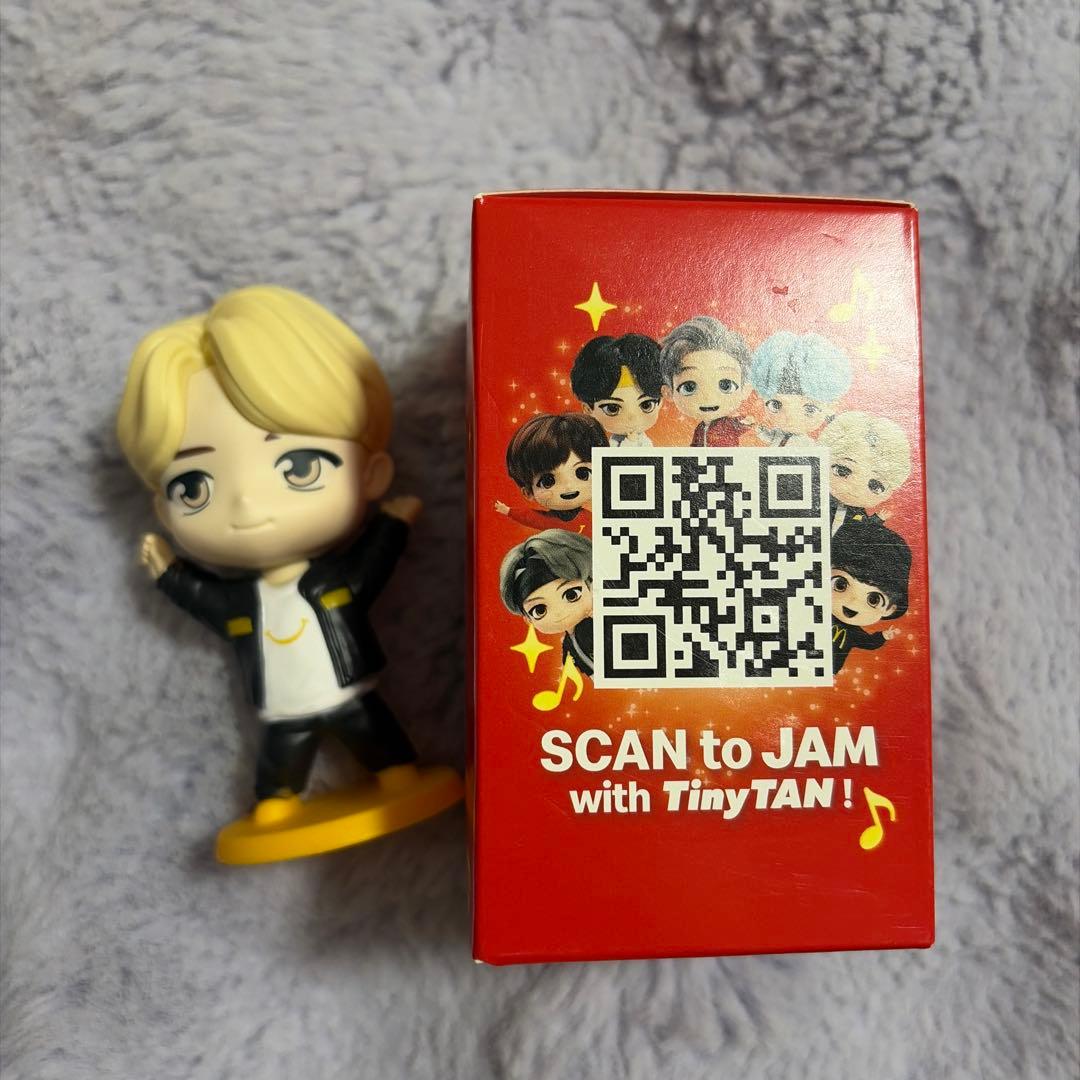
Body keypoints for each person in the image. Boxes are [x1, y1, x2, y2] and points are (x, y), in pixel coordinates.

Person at [116, 285, 461, 862]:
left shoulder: (332, 581)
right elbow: (210, 604)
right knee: (283, 749)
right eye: (194, 486)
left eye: (297, 466)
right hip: (283, 703)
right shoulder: (243, 600)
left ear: (372, 473)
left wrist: (391, 524)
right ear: (163, 510)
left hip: (347, 687)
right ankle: (276, 801)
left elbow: (368, 570)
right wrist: (170, 573)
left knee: (371, 728)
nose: (247, 504)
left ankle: (398, 774)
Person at [499, 530, 594, 678]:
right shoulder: (569, 644)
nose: (560, 612)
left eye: (571, 595)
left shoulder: (596, 628)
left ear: (590, 585)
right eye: (539, 610)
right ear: (528, 619)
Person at [494, 413, 607, 534]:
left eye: (582, 474)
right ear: (528, 492)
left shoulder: (592, 519)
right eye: (548, 482)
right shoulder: (545, 521)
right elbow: (529, 517)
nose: (568, 487)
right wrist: (508, 511)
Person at [659, 315, 755, 446]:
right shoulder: (700, 428)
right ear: (668, 392)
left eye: (725, 385)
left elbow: (739, 424)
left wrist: (746, 421)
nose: (708, 397)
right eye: (689, 387)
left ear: (745, 390)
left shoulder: (727, 424)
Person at [830, 521, 911, 674]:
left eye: (873, 600)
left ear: (890, 609)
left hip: (829, 671)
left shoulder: (854, 633)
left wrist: (883, 636)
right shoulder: (816, 611)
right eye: (840, 585)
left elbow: (869, 642)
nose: (852, 602)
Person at [749, 331, 851, 447]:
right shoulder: (778, 434)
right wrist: (762, 432)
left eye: (810, 409)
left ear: (831, 408)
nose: (791, 419)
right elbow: (770, 437)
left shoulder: (807, 444)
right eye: (775, 405)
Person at [817, 411, 913, 534]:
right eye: (842, 471)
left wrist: (878, 518)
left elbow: (863, 526)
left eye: (875, 486)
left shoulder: (857, 512)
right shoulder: (817, 499)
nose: (855, 487)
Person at [570, 333, 664, 447]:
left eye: (646, 405)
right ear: (588, 409)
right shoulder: (606, 444)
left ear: (660, 402)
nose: (631, 418)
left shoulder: (645, 441)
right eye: (612, 408)